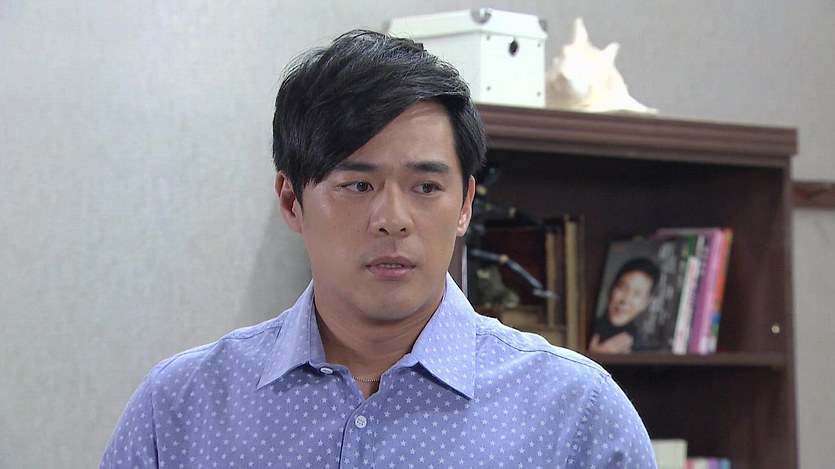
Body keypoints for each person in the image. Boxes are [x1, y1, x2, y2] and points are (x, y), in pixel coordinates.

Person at [101, 29, 657, 468]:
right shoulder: (180, 406)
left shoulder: (576, 412)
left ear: (465, 205)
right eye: (358, 185)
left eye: (426, 187)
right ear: (292, 201)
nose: (393, 219)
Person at [589, 257, 660, 354]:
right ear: (611, 288)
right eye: (623, 288)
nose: (625, 300)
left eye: (637, 294)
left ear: (646, 302)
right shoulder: (583, 326)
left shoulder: (645, 348)